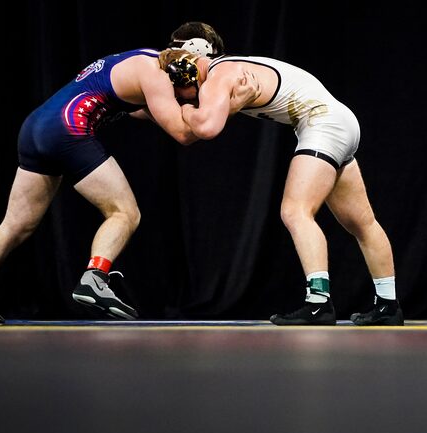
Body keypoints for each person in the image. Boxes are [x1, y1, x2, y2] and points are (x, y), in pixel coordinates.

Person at [0, 47, 257, 326]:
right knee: (125, 213)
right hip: (68, 128)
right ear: (181, 78)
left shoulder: (144, 59)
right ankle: (94, 278)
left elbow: (137, 109)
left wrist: (179, 106)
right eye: (193, 93)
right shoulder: (157, 77)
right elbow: (185, 134)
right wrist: (231, 104)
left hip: (36, 127)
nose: (194, 99)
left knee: (14, 225)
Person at [160, 47, 404, 326]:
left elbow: (205, 128)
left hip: (321, 122)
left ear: (185, 75)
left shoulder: (219, 75)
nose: (181, 101)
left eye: (179, 95)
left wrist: (187, 109)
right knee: (363, 222)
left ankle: (318, 302)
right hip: (338, 120)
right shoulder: (229, 68)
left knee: (295, 211)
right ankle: (388, 305)